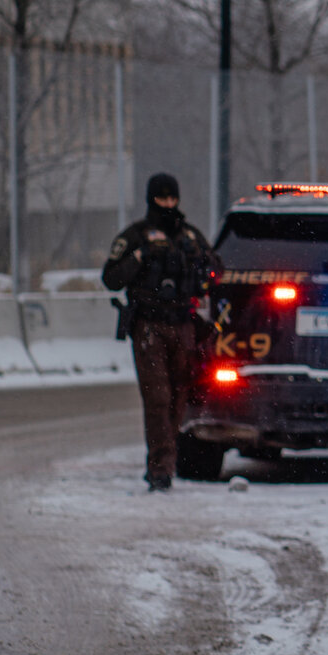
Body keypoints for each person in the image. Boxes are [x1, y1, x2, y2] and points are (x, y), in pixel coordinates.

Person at [102, 172, 215, 491]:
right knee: (158, 399)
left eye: (171, 198)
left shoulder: (190, 237)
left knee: (179, 399)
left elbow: (215, 270)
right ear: (151, 199)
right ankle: (160, 469)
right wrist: (140, 258)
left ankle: (166, 460)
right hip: (149, 326)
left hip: (183, 325)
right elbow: (111, 278)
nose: (167, 204)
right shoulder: (136, 237)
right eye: (161, 198)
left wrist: (201, 267)